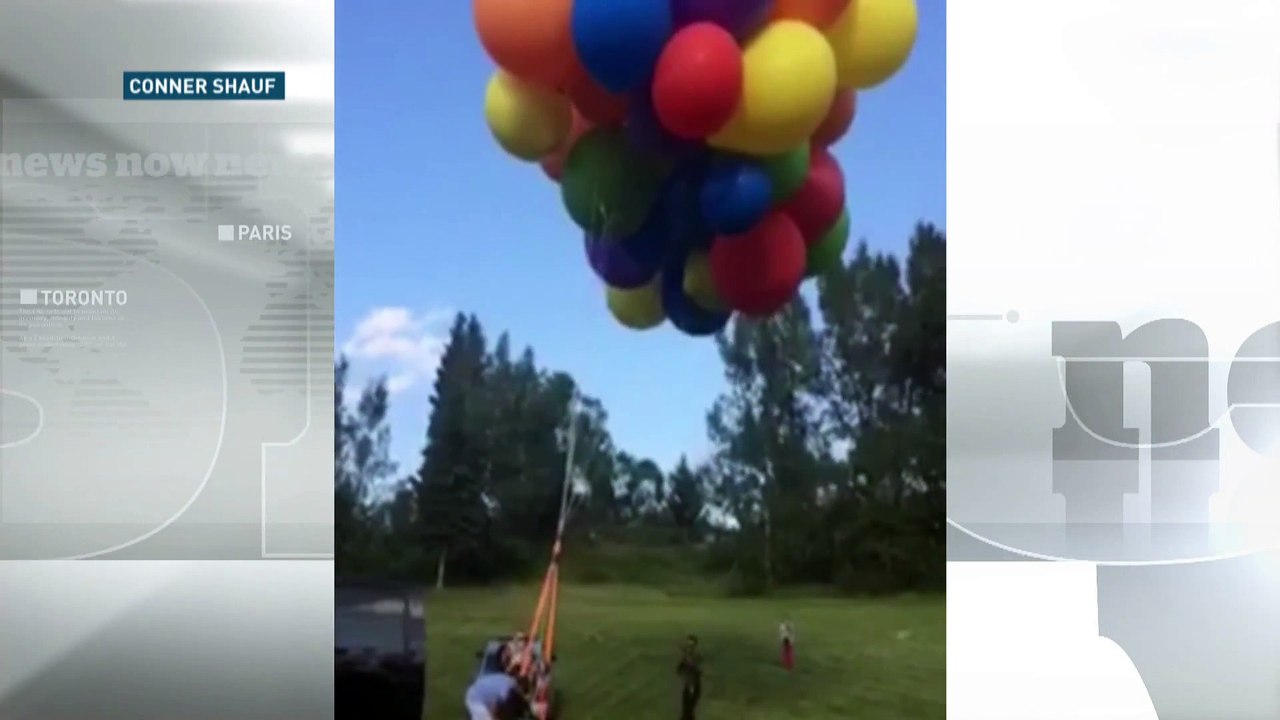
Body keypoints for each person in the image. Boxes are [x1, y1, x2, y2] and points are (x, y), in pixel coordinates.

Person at [676, 634, 703, 720]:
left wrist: (687, 660)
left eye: (691, 645)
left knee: (689, 708)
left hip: (694, 684)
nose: (689, 647)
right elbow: (679, 669)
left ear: (695, 645)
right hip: (688, 684)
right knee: (687, 709)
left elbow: (697, 667)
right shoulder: (686, 657)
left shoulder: (696, 656)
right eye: (688, 645)